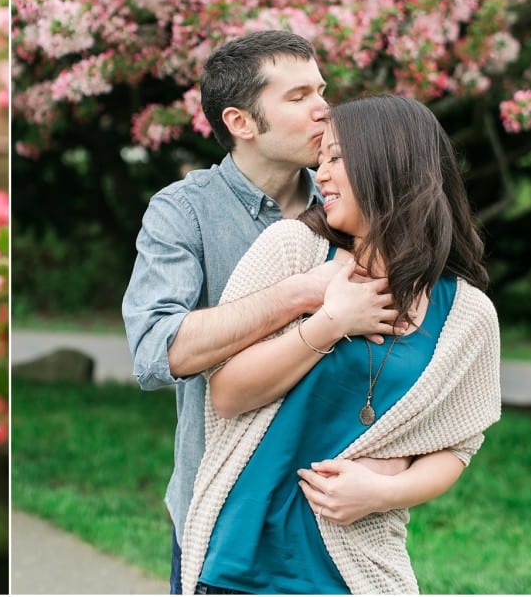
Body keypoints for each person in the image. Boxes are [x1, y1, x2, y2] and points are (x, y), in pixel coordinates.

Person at [179, 94, 502, 594]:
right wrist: (330, 322)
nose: (320, 173)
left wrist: (383, 493)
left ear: (387, 164)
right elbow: (227, 394)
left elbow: (457, 447)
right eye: (320, 157)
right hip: (239, 560)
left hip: (360, 569)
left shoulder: (467, 315)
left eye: (335, 158)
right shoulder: (292, 250)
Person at [123, 30, 400, 593]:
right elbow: (156, 351)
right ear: (241, 123)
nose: (325, 108)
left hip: (337, 514)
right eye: (298, 97)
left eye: (321, 90)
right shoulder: (185, 212)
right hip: (223, 514)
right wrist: (303, 292)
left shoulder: (357, 205)